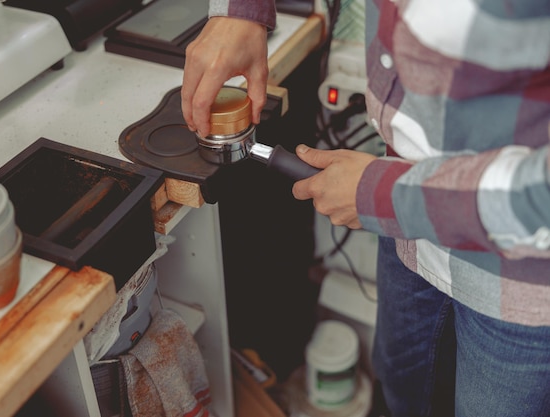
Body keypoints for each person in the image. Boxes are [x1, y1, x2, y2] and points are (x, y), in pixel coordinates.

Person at [181, 1, 550, 417]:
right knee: (399, 391)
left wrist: (389, 197)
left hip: (521, 272)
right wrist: (242, 11)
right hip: (407, 223)